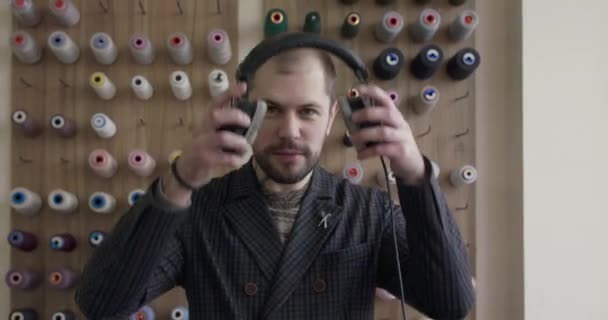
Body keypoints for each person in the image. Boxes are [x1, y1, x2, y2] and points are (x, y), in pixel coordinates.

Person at [75, 42, 475, 319]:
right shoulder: (201, 212)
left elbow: (451, 302)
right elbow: (102, 303)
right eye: (272, 110)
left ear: (335, 116)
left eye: (308, 111)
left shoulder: (368, 212)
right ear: (244, 112)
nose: (290, 130)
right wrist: (181, 180)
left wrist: (415, 174)